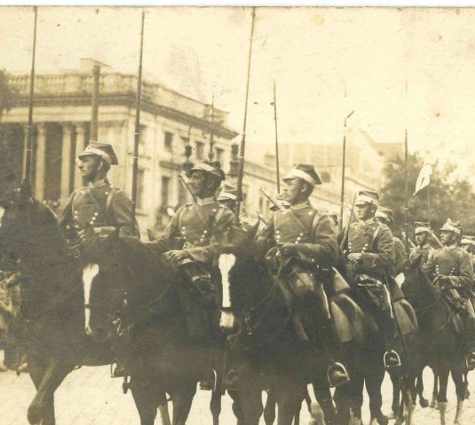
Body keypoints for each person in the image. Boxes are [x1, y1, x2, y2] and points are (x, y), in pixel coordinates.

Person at [254, 164, 349, 388]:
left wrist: (297, 249)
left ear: (304, 188)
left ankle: (328, 361)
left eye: (290, 183)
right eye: (285, 182)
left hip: (304, 274)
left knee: (312, 302)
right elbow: (260, 243)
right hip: (275, 271)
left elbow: (330, 250)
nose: (285, 187)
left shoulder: (318, 217)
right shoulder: (277, 217)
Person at [158, 162, 236, 389]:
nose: (190, 182)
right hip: (180, 263)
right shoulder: (183, 211)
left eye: (196, 178)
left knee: (206, 301)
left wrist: (187, 253)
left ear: (210, 183)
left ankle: (209, 363)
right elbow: (165, 240)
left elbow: (220, 248)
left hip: (208, 269)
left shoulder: (224, 214)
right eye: (190, 177)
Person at [341, 191, 402, 369]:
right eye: (358, 206)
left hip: (371, 278)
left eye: (363, 206)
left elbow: (388, 258)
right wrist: (342, 255)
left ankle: (388, 349)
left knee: (382, 305)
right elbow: (339, 250)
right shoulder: (350, 229)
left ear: (373, 208)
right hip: (349, 276)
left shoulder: (382, 230)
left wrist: (363, 256)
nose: (358, 209)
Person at [58, 141, 139, 249]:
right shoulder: (76, 195)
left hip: (105, 258)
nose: (80, 165)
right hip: (76, 254)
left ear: (100, 164)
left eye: (85, 161)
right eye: (80, 161)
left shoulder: (116, 196)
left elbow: (132, 233)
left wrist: (99, 231)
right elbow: (59, 228)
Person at [423, 219, 475, 369]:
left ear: (455, 236)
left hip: (457, 294)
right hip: (437, 292)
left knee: (471, 317)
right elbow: (426, 273)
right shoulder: (435, 254)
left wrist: (448, 279)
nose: (441, 235)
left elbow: (468, 279)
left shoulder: (463, 255)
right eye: (441, 232)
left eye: (446, 232)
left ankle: (470, 353)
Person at [375, 206, 408, 273]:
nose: (376, 225)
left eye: (379, 221)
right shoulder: (370, 240)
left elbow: (402, 266)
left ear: (386, 224)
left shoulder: (395, 242)